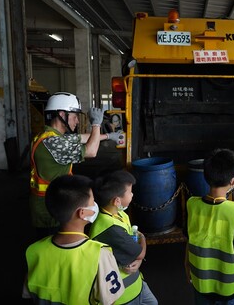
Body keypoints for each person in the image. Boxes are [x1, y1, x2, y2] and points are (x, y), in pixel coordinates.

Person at [30, 92, 122, 239]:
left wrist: (109, 136)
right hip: (51, 209)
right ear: (62, 114)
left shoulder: (50, 136)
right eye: (75, 116)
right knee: (56, 248)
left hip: (55, 201)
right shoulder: (53, 143)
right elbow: (91, 151)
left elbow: (81, 138)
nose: (77, 121)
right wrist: (96, 124)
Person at [24, 174, 125, 304]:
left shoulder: (34, 251)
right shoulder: (100, 254)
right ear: (81, 213)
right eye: (92, 202)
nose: (95, 205)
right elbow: (110, 301)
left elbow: (30, 294)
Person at [184, 148, 234, 304]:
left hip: (201, 283)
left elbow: (189, 239)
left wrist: (187, 265)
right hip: (229, 289)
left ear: (205, 177)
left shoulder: (192, 205)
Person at [89, 170, 158, 305]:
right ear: (117, 201)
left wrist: (138, 259)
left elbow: (135, 246)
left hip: (136, 282)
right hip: (122, 295)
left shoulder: (119, 214)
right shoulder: (110, 228)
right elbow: (140, 252)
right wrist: (143, 238)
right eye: (130, 192)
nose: (132, 194)